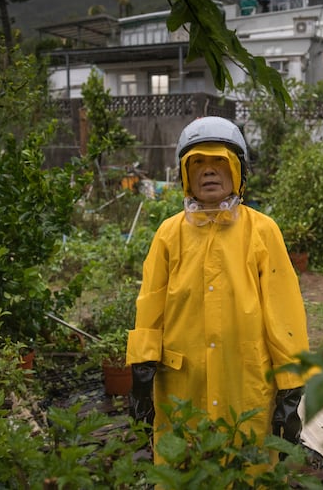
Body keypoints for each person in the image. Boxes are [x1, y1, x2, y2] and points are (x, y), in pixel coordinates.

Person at [125, 116, 310, 461]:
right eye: (198, 162)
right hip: (182, 384)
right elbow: (150, 306)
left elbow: (284, 312)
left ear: (238, 171)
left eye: (218, 161)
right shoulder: (169, 234)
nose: (208, 171)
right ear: (185, 174)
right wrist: (141, 377)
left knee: (245, 468)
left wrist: (289, 392)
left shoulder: (262, 231)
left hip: (245, 384)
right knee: (185, 467)